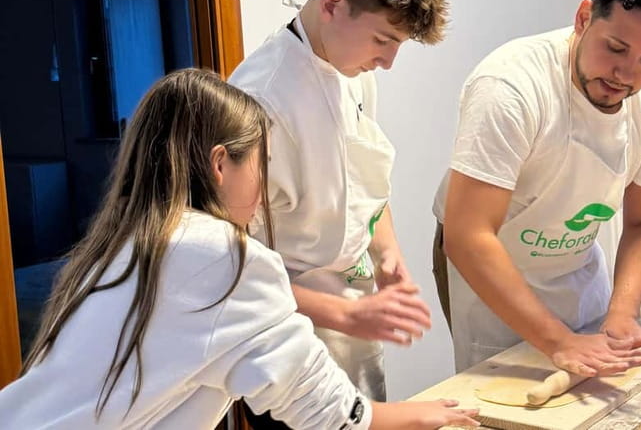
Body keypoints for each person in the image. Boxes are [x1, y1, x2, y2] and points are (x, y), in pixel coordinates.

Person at [0, 70, 479, 430]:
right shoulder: (218, 255)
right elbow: (324, 409)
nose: (266, 186)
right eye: (262, 162)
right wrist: (426, 414)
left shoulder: (121, 245)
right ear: (219, 164)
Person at [431, 0, 641, 375]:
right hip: (488, 259)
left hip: (573, 256)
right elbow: (468, 234)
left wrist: (623, 314)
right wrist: (557, 341)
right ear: (583, 18)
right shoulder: (511, 85)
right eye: (615, 48)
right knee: (504, 390)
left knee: (594, 378)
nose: (626, 74)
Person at [228, 0, 447, 412]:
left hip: (356, 310)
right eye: (384, 40)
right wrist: (344, 315)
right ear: (331, 6)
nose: (389, 62)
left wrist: (388, 258)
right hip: (290, 334)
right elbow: (229, 274)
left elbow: (365, 181)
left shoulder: (352, 70)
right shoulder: (256, 103)